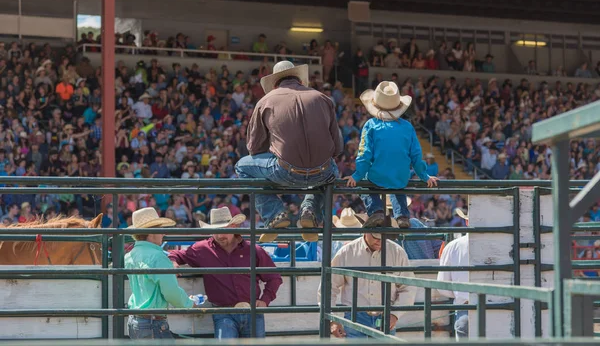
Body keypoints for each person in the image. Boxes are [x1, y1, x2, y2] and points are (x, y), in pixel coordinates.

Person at [235, 61, 342, 242]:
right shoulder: (323, 99)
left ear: (275, 83)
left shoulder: (265, 101)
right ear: (299, 79)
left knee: (242, 167)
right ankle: (310, 210)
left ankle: (274, 214)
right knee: (333, 170)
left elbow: (253, 147)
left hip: (285, 170)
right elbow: (338, 148)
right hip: (323, 172)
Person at [168, 207, 283, 338]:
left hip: (251, 310)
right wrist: (173, 262)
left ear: (233, 227)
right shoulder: (202, 249)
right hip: (223, 312)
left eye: (223, 230)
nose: (219, 236)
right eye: (215, 231)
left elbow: (274, 278)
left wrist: (265, 300)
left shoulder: (253, 250)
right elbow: (177, 254)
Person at [344, 81, 438, 228]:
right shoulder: (408, 126)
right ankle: (402, 215)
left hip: (377, 176)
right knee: (397, 184)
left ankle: (376, 211)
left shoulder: (370, 125)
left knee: (364, 183)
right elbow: (416, 156)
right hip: (400, 177)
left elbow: (364, 154)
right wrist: (424, 176)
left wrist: (356, 176)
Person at [318, 213, 416, 338]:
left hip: (384, 315)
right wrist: (333, 320)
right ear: (365, 231)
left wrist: (394, 314)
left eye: (384, 237)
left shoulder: (397, 252)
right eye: (376, 236)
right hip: (355, 315)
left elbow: (408, 287)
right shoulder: (347, 252)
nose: (380, 241)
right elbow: (329, 286)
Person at [125, 207, 199, 340]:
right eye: (160, 229)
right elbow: (170, 292)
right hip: (153, 323)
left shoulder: (130, 255)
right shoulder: (158, 257)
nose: (163, 234)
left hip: (135, 320)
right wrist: (188, 303)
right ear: (152, 232)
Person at [437, 207, 469, 340]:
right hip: (496, 307)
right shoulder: (497, 245)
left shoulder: (452, 246)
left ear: (467, 222)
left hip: (465, 306)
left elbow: (443, 286)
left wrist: (458, 293)